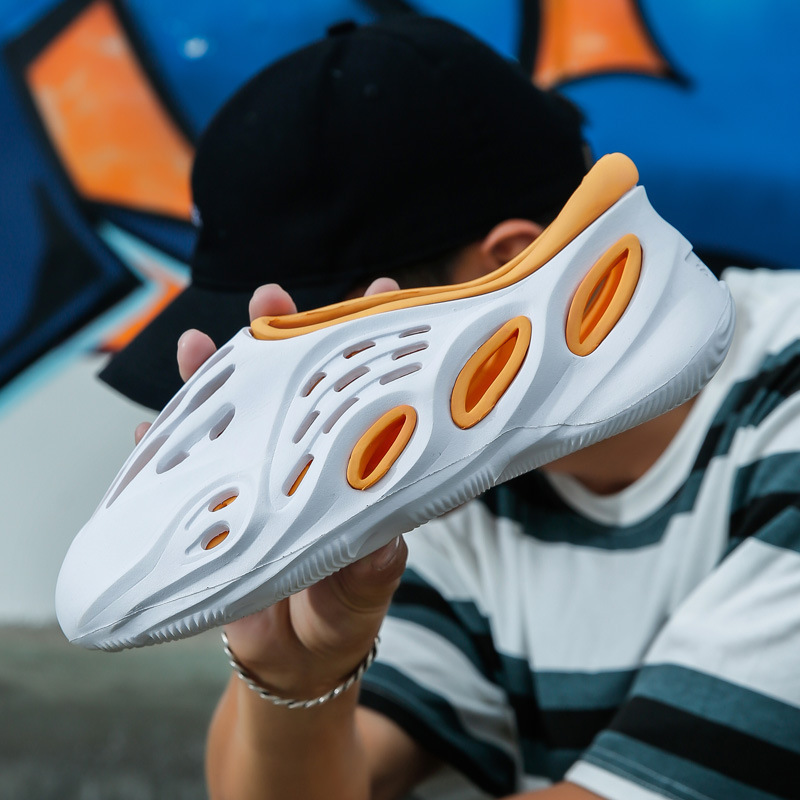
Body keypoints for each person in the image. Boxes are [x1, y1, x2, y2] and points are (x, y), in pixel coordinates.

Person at [106, 16, 800, 800]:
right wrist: (294, 675)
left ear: (512, 264)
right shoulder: (459, 463)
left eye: (328, 346)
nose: (298, 414)